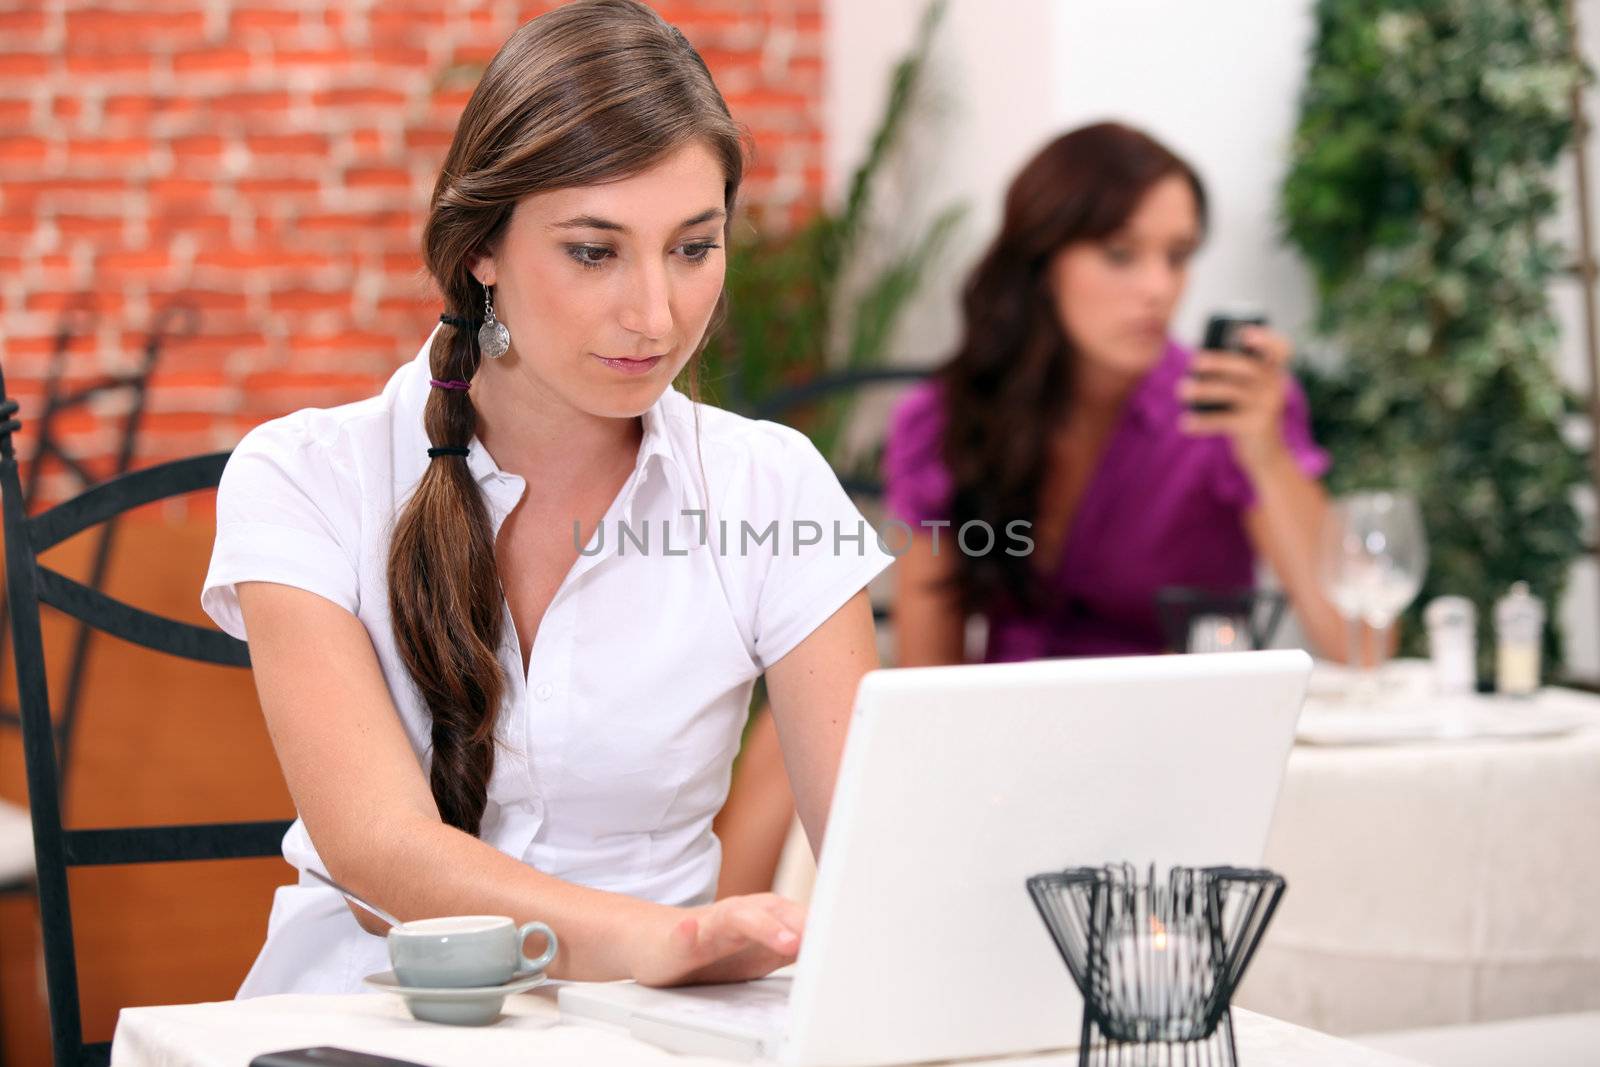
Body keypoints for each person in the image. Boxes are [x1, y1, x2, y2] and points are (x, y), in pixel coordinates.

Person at [201, 0, 891, 996]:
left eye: (693, 247)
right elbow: (379, 850)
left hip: (659, 1035)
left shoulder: (771, 488)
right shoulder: (305, 476)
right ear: (481, 248)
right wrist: (655, 936)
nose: (654, 314)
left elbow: (873, 847)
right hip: (363, 1017)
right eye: (592, 250)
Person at [714, 122, 1350, 899]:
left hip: (1166, 743)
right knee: (796, 732)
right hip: (1010, 744)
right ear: (1044, 262)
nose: (1158, 287)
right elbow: (930, 662)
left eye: (1178, 256)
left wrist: (1266, 454)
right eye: (1122, 254)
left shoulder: (1229, 414)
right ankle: (710, 951)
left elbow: (1360, 634)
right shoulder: (948, 420)